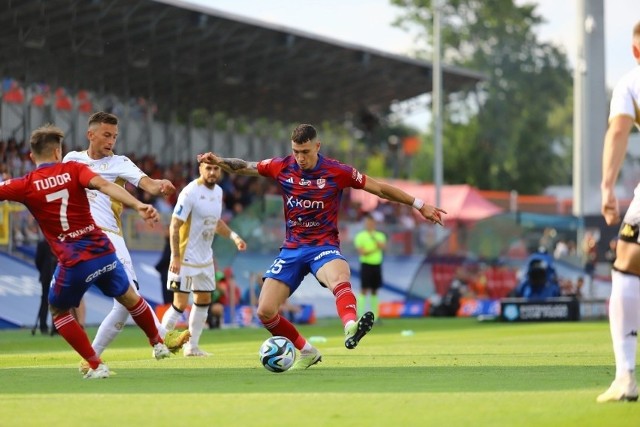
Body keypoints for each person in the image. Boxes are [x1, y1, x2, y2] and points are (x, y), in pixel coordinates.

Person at [198, 123, 446, 369]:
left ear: (317, 146)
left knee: (339, 277)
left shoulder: (338, 171)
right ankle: (307, 352)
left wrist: (420, 204)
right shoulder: (281, 166)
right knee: (264, 311)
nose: (300, 157)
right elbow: (245, 167)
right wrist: (218, 161)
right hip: (292, 249)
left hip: (323, 247)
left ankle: (351, 326)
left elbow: (380, 189)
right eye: (296, 151)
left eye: (305, 151)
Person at [0, 124, 172, 379]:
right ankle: (158, 342)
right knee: (130, 297)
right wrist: (138, 205)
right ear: (58, 152)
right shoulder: (75, 169)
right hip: (103, 250)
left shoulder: (25, 184)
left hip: (73, 260)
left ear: (32, 156)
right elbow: (105, 186)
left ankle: (95, 365)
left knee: (58, 311)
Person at [63, 112, 190, 371]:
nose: (112, 140)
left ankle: (91, 359)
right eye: (107, 135)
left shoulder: (120, 163)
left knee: (124, 303)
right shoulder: (72, 159)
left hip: (111, 236)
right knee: (124, 296)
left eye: (115, 136)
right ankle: (163, 337)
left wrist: (160, 185)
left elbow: (147, 183)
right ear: (91, 135)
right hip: (84, 236)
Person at [161, 160, 247, 356]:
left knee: (203, 300)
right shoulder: (190, 192)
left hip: (205, 258)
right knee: (180, 304)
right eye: (208, 168)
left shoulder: (218, 192)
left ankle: (192, 347)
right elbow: (174, 224)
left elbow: (215, 222)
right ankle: (159, 344)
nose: (212, 172)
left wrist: (234, 237)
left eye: (216, 168)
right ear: (200, 169)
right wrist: (175, 256)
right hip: (185, 258)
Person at [598, 21, 640, 403]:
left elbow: (619, 131)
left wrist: (607, 186)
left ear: (635, 51)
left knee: (627, 265)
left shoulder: (632, 81)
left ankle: (626, 376)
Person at [353, 213, 387, 322]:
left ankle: (375, 316)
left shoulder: (379, 235)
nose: (369, 224)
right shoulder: (360, 236)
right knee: (364, 290)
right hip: (366, 265)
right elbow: (362, 252)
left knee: (375, 290)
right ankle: (359, 315)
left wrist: (376, 244)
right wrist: (375, 248)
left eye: (371, 222)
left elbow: (383, 246)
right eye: (368, 222)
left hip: (377, 264)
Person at [34, 237, 57, 335]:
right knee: (54, 300)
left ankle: (44, 326)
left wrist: (43, 271)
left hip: (46, 275)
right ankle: (54, 327)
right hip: (54, 275)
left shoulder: (42, 243)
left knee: (45, 301)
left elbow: (38, 261)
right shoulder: (56, 241)